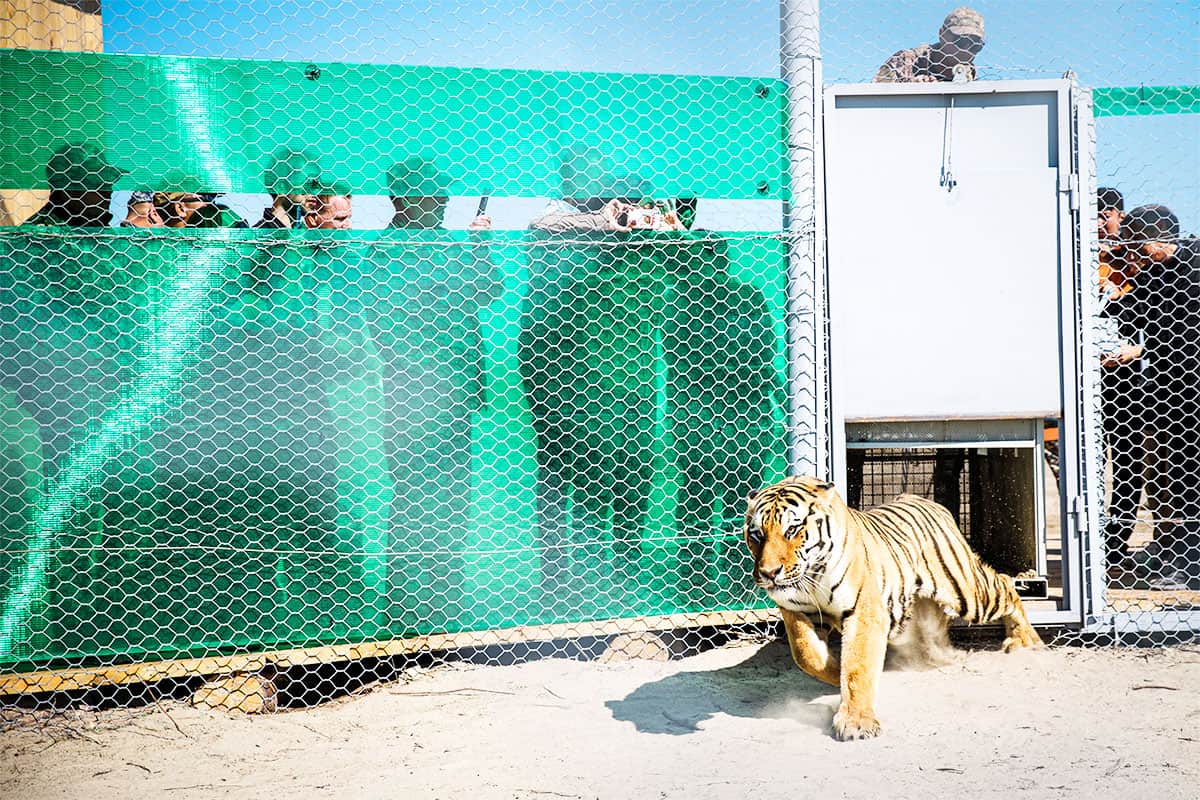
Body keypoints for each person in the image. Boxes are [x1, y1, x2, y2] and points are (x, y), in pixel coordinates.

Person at [1116, 205, 1199, 589]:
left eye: (1136, 243)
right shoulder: (1153, 275)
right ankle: (1178, 556)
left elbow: (1180, 334)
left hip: (1190, 389)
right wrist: (1111, 296)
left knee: (1189, 478)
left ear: (1158, 239)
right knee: (1175, 479)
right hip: (1170, 393)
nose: (1131, 251)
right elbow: (1134, 316)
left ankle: (1185, 565)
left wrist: (1141, 349)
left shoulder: (1194, 267)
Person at [1095, 188, 1144, 570]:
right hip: (1088, 378)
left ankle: (1116, 542)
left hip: (1128, 376)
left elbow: (1159, 320)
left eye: (1104, 213)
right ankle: (1092, 539)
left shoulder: (1136, 261)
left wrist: (1136, 349)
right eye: (1092, 214)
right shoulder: (1081, 258)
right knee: (1088, 461)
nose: (1098, 221)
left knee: (1128, 459)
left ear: (1120, 217)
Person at [23, 142, 126, 227]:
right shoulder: (39, 236)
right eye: (97, 184)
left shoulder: (96, 225)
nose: (108, 191)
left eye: (108, 183)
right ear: (68, 190)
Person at [874, 7, 986, 84]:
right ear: (942, 34)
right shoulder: (907, 60)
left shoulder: (970, 75)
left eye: (975, 45)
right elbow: (874, 97)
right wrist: (908, 88)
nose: (966, 50)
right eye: (961, 40)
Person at [387, 157, 491, 230]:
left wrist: (479, 244)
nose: (445, 198)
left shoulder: (441, 238)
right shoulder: (389, 247)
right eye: (434, 191)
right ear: (408, 200)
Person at [254, 149, 319, 229]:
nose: (316, 191)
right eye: (308, 182)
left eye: (317, 184)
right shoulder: (260, 237)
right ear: (281, 187)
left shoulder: (301, 235)